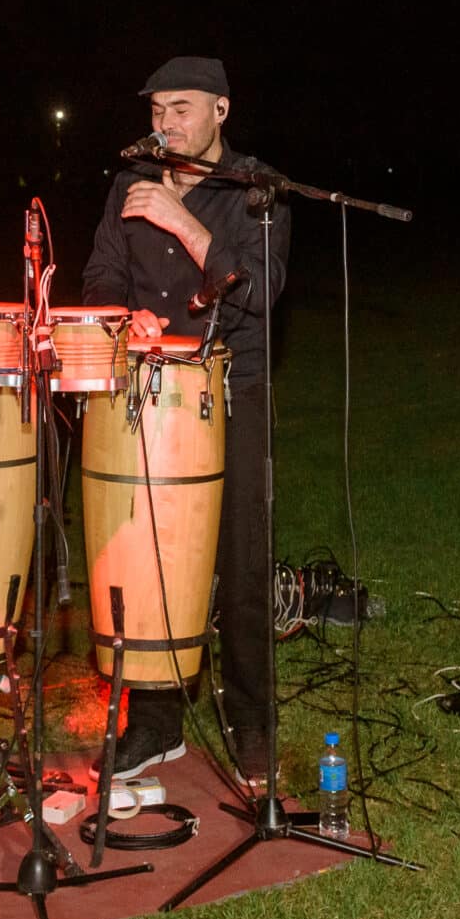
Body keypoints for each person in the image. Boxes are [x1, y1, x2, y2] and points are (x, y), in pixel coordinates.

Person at [81, 55, 291, 781]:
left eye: (180, 108)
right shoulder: (128, 185)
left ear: (220, 111)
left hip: (232, 391)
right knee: (151, 560)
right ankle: (155, 723)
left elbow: (260, 290)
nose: (164, 123)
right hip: (148, 394)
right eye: (156, 110)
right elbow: (102, 274)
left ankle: (252, 723)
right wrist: (122, 316)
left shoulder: (258, 189)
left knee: (241, 563)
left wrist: (181, 221)